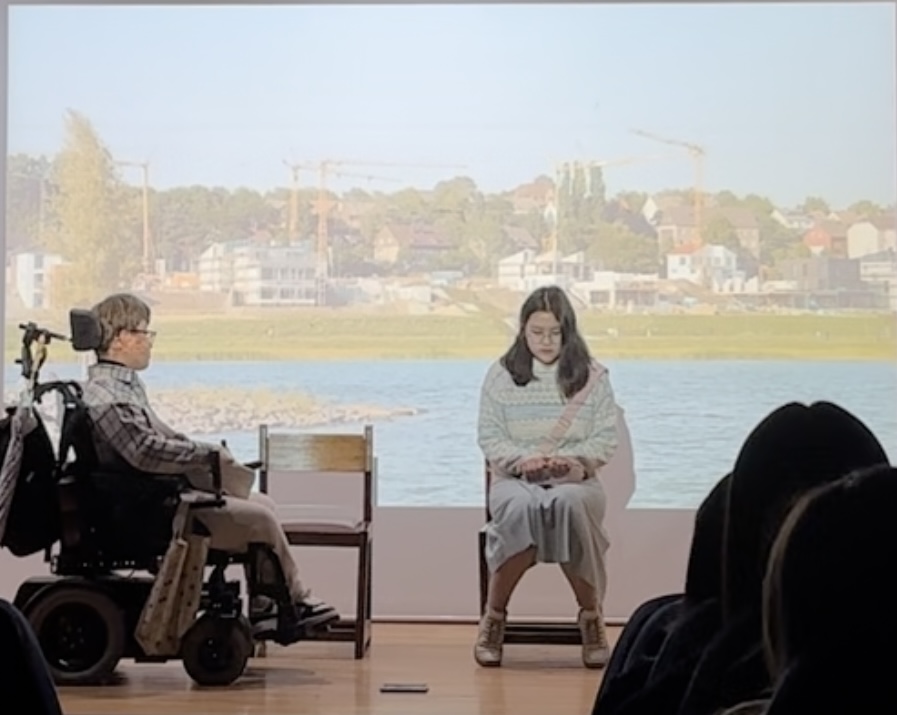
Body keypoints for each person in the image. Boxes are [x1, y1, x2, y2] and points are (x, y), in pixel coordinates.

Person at [79, 292, 339, 639]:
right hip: (153, 508)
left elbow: (156, 441)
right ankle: (293, 599)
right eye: (144, 332)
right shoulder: (109, 397)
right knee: (260, 519)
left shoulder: (117, 387)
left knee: (263, 503)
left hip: (153, 495)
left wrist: (202, 452)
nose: (150, 341)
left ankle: (266, 605)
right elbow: (144, 452)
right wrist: (204, 455)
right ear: (120, 338)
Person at [476, 285, 619, 669]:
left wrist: (574, 463)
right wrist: (522, 461)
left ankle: (591, 616)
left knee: (569, 504)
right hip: (515, 479)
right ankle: (494, 617)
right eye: (537, 332)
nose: (545, 341)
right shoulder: (501, 376)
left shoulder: (591, 376)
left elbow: (605, 438)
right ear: (523, 330)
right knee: (520, 508)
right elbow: (489, 436)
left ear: (567, 331)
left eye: (555, 332)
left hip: (576, 481)